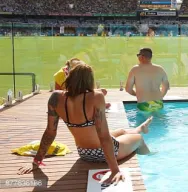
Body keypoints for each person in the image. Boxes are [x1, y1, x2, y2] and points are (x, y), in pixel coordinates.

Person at [18, 63, 152, 185]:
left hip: (83, 153)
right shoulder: (96, 97)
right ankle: (149, 156)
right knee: (139, 140)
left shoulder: (55, 98)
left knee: (122, 131)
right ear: (89, 80)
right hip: (104, 153)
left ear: (70, 78)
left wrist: (37, 161)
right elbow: (103, 136)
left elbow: (50, 132)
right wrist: (115, 170)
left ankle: (139, 128)